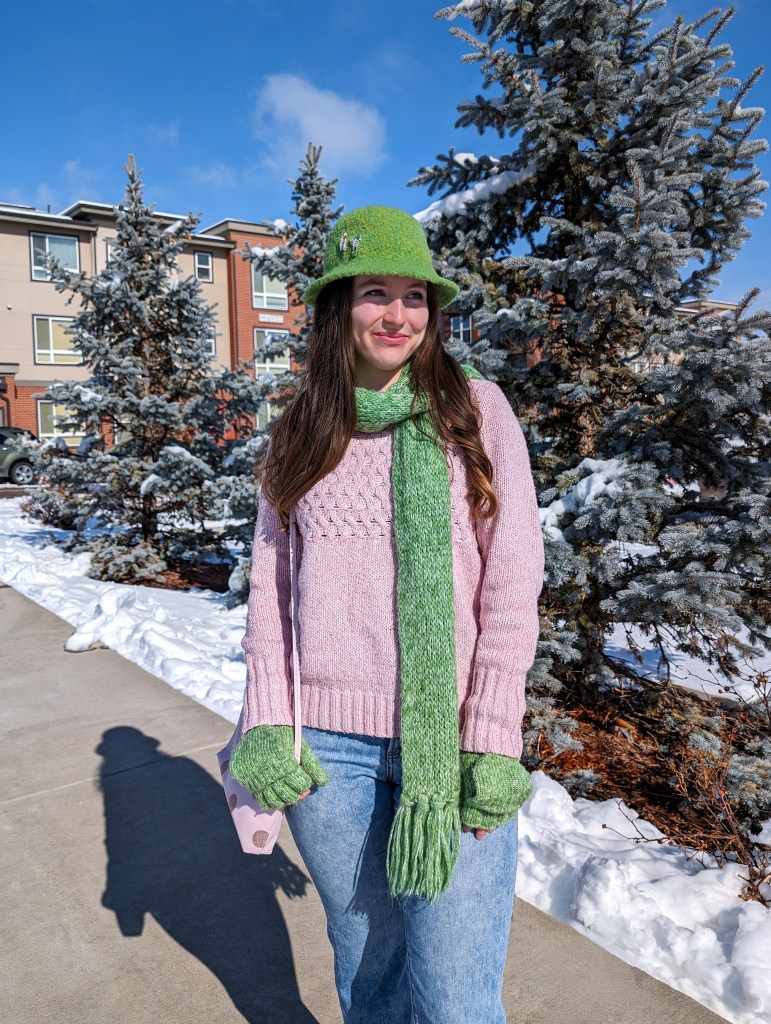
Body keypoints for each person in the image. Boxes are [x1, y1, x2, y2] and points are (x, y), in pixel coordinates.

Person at [230, 206, 544, 1023]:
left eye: (415, 296)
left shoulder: (475, 411)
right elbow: (272, 588)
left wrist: (492, 736)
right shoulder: (300, 433)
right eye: (376, 292)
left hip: (451, 744)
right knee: (368, 977)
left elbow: (511, 581)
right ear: (339, 305)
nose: (398, 315)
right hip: (330, 750)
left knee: (455, 998)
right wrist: (267, 721)